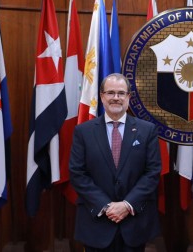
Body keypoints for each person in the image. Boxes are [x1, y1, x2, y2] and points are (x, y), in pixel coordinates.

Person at [69, 73, 161, 252]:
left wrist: (126, 205)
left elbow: (152, 172)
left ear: (128, 97)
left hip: (134, 223)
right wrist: (106, 206)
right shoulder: (83, 131)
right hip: (96, 222)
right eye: (110, 93)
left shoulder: (147, 130)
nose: (116, 98)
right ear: (102, 96)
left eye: (121, 93)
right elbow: (77, 174)